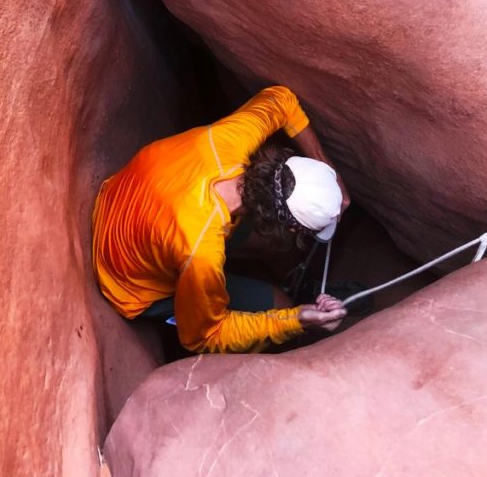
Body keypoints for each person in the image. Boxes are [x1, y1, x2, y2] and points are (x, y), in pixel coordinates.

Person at [92, 85, 351, 353]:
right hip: (128, 283)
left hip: (123, 203)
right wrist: (295, 319)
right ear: (284, 223)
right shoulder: (201, 251)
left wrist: (329, 170)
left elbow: (281, 99)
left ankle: (229, 285)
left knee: (261, 246)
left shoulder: (228, 141)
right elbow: (203, 336)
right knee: (281, 304)